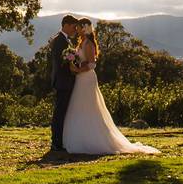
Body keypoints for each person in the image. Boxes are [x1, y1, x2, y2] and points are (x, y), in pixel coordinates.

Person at [62, 18, 160, 155]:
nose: (76, 30)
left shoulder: (88, 44)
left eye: (78, 27)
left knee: (89, 107)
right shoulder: (81, 43)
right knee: (78, 107)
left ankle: (92, 140)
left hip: (87, 79)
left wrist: (78, 70)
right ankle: (78, 138)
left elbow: (91, 64)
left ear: (84, 29)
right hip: (80, 79)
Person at [49, 14, 80, 152]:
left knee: (62, 112)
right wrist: (72, 66)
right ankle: (56, 143)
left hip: (65, 80)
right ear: (66, 25)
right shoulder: (59, 40)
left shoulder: (64, 40)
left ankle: (59, 141)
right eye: (73, 26)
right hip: (63, 81)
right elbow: (60, 61)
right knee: (59, 112)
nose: (75, 29)